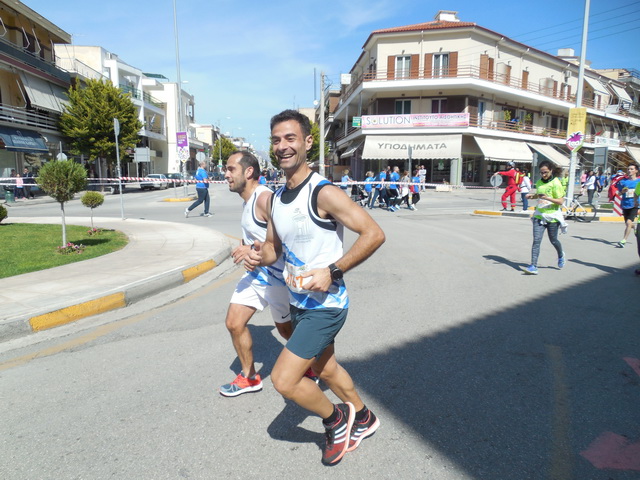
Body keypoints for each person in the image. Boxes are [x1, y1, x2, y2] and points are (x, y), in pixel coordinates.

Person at [245, 109, 385, 465]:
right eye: (277, 140)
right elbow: (273, 249)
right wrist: (256, 253)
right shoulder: (276, 198)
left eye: (290, 138)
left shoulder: (323, 192)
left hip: (326, 305)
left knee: (284, 380)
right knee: (325, 369)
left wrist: (333, 271)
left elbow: (373, 233)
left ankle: (336, 420)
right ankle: (364, 417)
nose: (282, 146)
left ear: (308, 142)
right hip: (299, 303)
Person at [219, 151, 297, 397]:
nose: (226, 174)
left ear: (249, 171)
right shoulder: (247, 200)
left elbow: (287, 240)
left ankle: (314, 364)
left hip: (278, 280)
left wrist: (253, 249)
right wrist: (247, 248)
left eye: (231, 169)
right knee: (234, 323)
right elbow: (257, 236)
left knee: (286, 332)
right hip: (257, 276)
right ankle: (249, 377)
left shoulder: (265, 199)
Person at [522, 161, 566, 275]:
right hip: (539, 215)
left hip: (552, 216)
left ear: (551, 170)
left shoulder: (556, 183)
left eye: (545, 172)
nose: (543, 175)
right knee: (536, 240)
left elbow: (560, 201)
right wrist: (532, 196)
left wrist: (548, 198)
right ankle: (533, 266)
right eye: (541, 173)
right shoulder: (539, 182)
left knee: (553, 240)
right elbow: (540, 195)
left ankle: (561, 255)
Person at [615, 164, 640, 248]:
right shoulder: (623, 182)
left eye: (632, 169)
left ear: (636, 171)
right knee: (628, 223)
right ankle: (634, 227)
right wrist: (622, 191)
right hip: (625, 204)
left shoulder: (639, 182)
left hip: (635, 204)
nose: (629, 170)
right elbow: (619, 193)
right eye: (628, 169)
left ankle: (623, 240)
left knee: (628, 222)